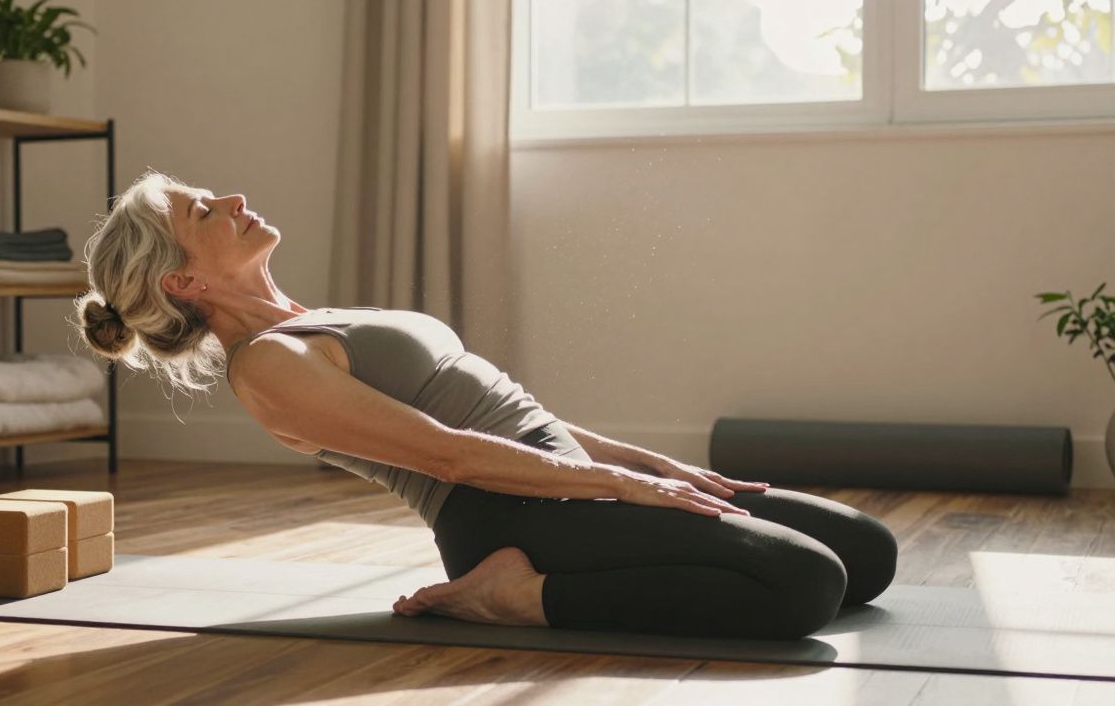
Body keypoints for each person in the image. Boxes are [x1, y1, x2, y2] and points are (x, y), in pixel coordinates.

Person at [76, 170, 898, 641]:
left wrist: (651, 464)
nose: (229, 199)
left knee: (867, 554)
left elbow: (511, 410)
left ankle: (578, 559)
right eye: (202, 211)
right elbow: (451, 454)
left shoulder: (310, 319)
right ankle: (516, 598)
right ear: (182, 280)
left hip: (556, 474)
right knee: (805, 584)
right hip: (510, 516)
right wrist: (621, 488)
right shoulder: (268, 367)